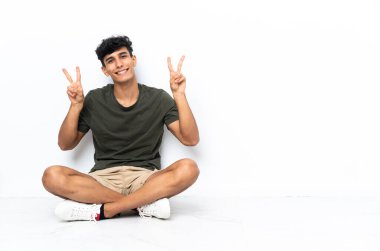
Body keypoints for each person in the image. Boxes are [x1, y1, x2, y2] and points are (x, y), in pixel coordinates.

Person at [42, 35, 200, 221]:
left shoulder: (158, 98)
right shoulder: (94, 99)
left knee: (189, 168)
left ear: (133, 60)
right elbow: (65, 144)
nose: (118, 64)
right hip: (102, 180)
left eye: (123, 56)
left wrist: (179, 94)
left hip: (146, 179)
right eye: (110, 61)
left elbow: (190, 139)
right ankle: (142, 205)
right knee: (51, 176)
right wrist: (75, 106)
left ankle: (104, 210)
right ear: (105, 70)